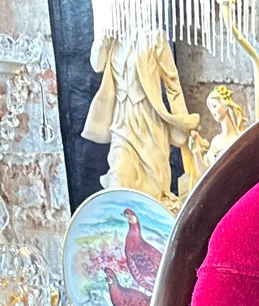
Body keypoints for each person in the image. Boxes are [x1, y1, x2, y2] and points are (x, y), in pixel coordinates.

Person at [82, 29, 199, 206]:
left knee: (154, 193)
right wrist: (101, 38)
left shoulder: (155, 37)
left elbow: (172, 83)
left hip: (149, 122)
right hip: (122, 120)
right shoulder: (112, 37)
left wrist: (182, 122)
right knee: (119, 178)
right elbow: (97, 65)